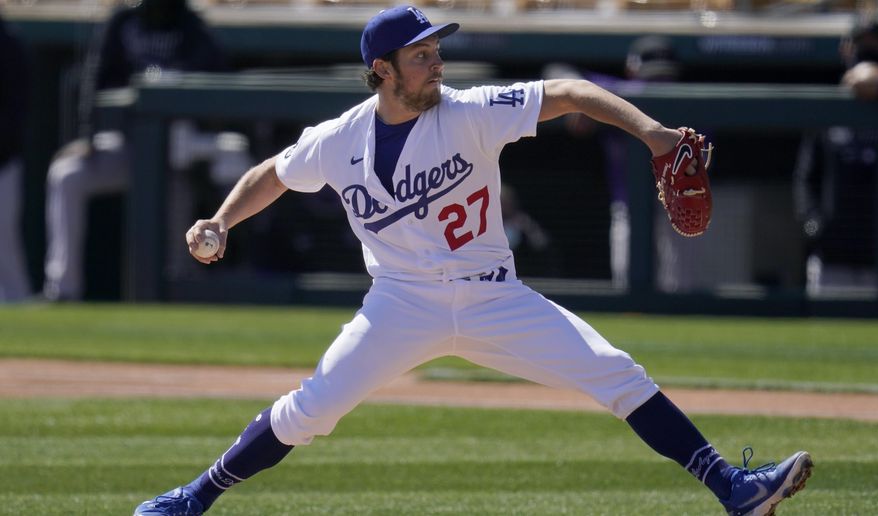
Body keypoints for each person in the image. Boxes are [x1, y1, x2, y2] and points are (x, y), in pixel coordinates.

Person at [135, 6, 813, 515]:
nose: (436, 62)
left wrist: (653, 135)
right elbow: (272, 172)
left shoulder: (471, 112)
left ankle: (732, 488)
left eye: (436, 50)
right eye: (420, 54)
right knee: (309, 411)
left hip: (494, 297)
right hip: (399, 303)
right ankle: (191, 499)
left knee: (616, 373)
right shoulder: (336, 139)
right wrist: (221, 219)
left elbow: (571, 92)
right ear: (382, 71)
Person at [42, 0, 251, 301]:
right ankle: (62, 289)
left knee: (208, 168)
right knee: (67, 175)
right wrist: (87, 137)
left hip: (179, 150)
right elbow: (95, 80)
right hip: (128, 144)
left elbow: (218, 84)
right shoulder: (123, 21)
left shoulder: (192, 26)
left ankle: (198, 282)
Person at [543, 35, 683, 290]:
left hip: (680, 209)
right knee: (627, 288)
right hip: (627, 205)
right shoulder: (615, 94)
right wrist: (576, 104)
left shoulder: (686, 102)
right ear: (632, 70)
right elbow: (556, 71)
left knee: (679, 288)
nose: (658, 84)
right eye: (651, 78)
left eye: (664, 77)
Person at [793, 19, 878, 297]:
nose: (866, 53)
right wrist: (814, 225)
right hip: (834, 254)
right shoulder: (829, 112)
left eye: (874, 46)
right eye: (860, 45)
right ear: (847, 49)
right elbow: (806, 177)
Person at [0, 12, 31, 302]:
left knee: (3, 243)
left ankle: (18, 304)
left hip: (3, 160)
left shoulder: (8, 43)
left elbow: (16, 109)